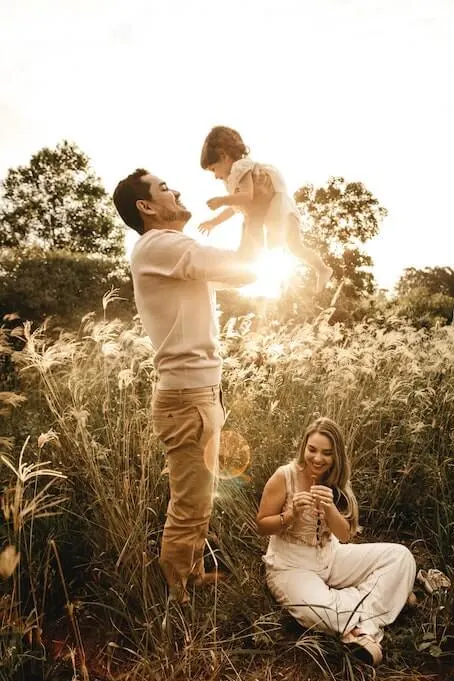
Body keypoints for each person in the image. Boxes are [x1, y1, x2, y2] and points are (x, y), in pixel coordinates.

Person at [112, 169, 256, 603]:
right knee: (190, 502)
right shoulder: (161, 245)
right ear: (147, 206)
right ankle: (176, 595)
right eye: (163, 188)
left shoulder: (172, 252)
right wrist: (251, 208)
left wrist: (250, 212)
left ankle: (190, 570)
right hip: (187, 396)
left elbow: (243, 274)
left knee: (200, 494)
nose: (175, 190)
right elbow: (242, 264)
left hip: (199, 392)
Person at [256, 417, 416, 665]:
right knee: (321, 611)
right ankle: (373, 613)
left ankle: (358, 616)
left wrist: (329, 508)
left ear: (336, 456)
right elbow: (262, 525)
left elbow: (344, 535)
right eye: (312, 450)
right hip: (290, 565)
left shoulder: (336, 480)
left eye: (326, 453)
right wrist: (291, 515)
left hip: (331, 555)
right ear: (304, 447)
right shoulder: (284, 476)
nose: (318, 458)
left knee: (401, 556)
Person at [198, 126, 333, 293]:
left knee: (265, 235)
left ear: (224, 156)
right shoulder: (233, 177)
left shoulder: (240, 167)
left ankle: (251, 264)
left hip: (278, 210)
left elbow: (247, 196)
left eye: (213, 169)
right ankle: (320, 269)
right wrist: (214, 221)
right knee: (295, 247)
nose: (215, 176)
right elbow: (235, 208)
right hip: (277, 211)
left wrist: (222, 200)